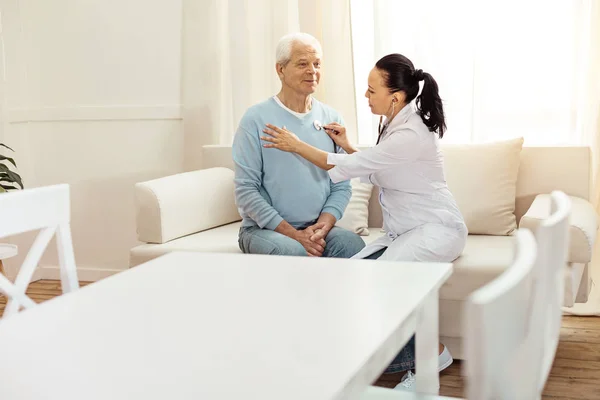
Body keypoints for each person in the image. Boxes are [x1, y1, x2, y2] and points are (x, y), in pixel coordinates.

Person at [260, 53, 468, 391]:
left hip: (436, 229)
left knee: (387, 284)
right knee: (351, 279)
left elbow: (336, 165)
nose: (366, 97)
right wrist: (347, 145)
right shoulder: (393, 121)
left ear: (395, 97)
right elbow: (377, 166)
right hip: (405, 231)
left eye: (372, 91)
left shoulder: (411, 133)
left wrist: (295, 145)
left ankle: (428, 359)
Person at [232, 32, 366, 259]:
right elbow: (246, 190)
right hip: (264, 230)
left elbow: (342, 184)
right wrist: (293, 234)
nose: (312, 71)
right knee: (292, 251)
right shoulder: (255, 118)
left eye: (317, 64)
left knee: (353, 245)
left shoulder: (331, 119)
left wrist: (323, 226)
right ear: (280, 70)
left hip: (317, 227)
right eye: (303, 64)